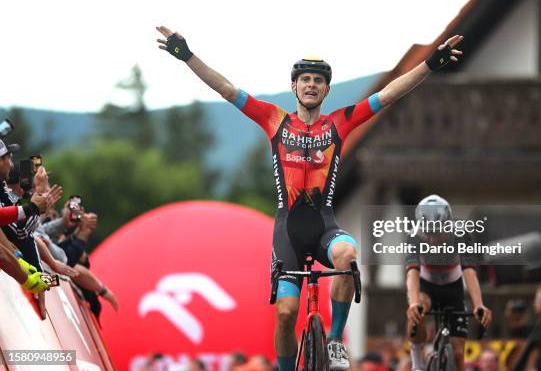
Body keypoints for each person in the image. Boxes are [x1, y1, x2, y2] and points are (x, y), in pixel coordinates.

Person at [156, 25, 464, 371]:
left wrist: (429, 65)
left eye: (318, 80)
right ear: (294, 86)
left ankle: (334, 342)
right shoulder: (274, 120)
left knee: (347, 256)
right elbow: (227, 89)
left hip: (324, 228)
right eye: (305, 79)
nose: (312, 85)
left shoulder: (339, 123)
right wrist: (188, 57)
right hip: (288, 232)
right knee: (286, 315)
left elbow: (390, 93)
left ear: (327, 89)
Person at [405, 195, 492, 371]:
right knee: (418, 309)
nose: (431, 240)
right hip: (426, 287)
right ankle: (417, 362)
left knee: (459, 354)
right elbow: (412, 272)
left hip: (453, 290)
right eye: (427, 234)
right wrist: (413, 302)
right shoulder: (414, 236)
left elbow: (469, 271)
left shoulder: (460, 234)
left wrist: (479, 304)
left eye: (436, 234)